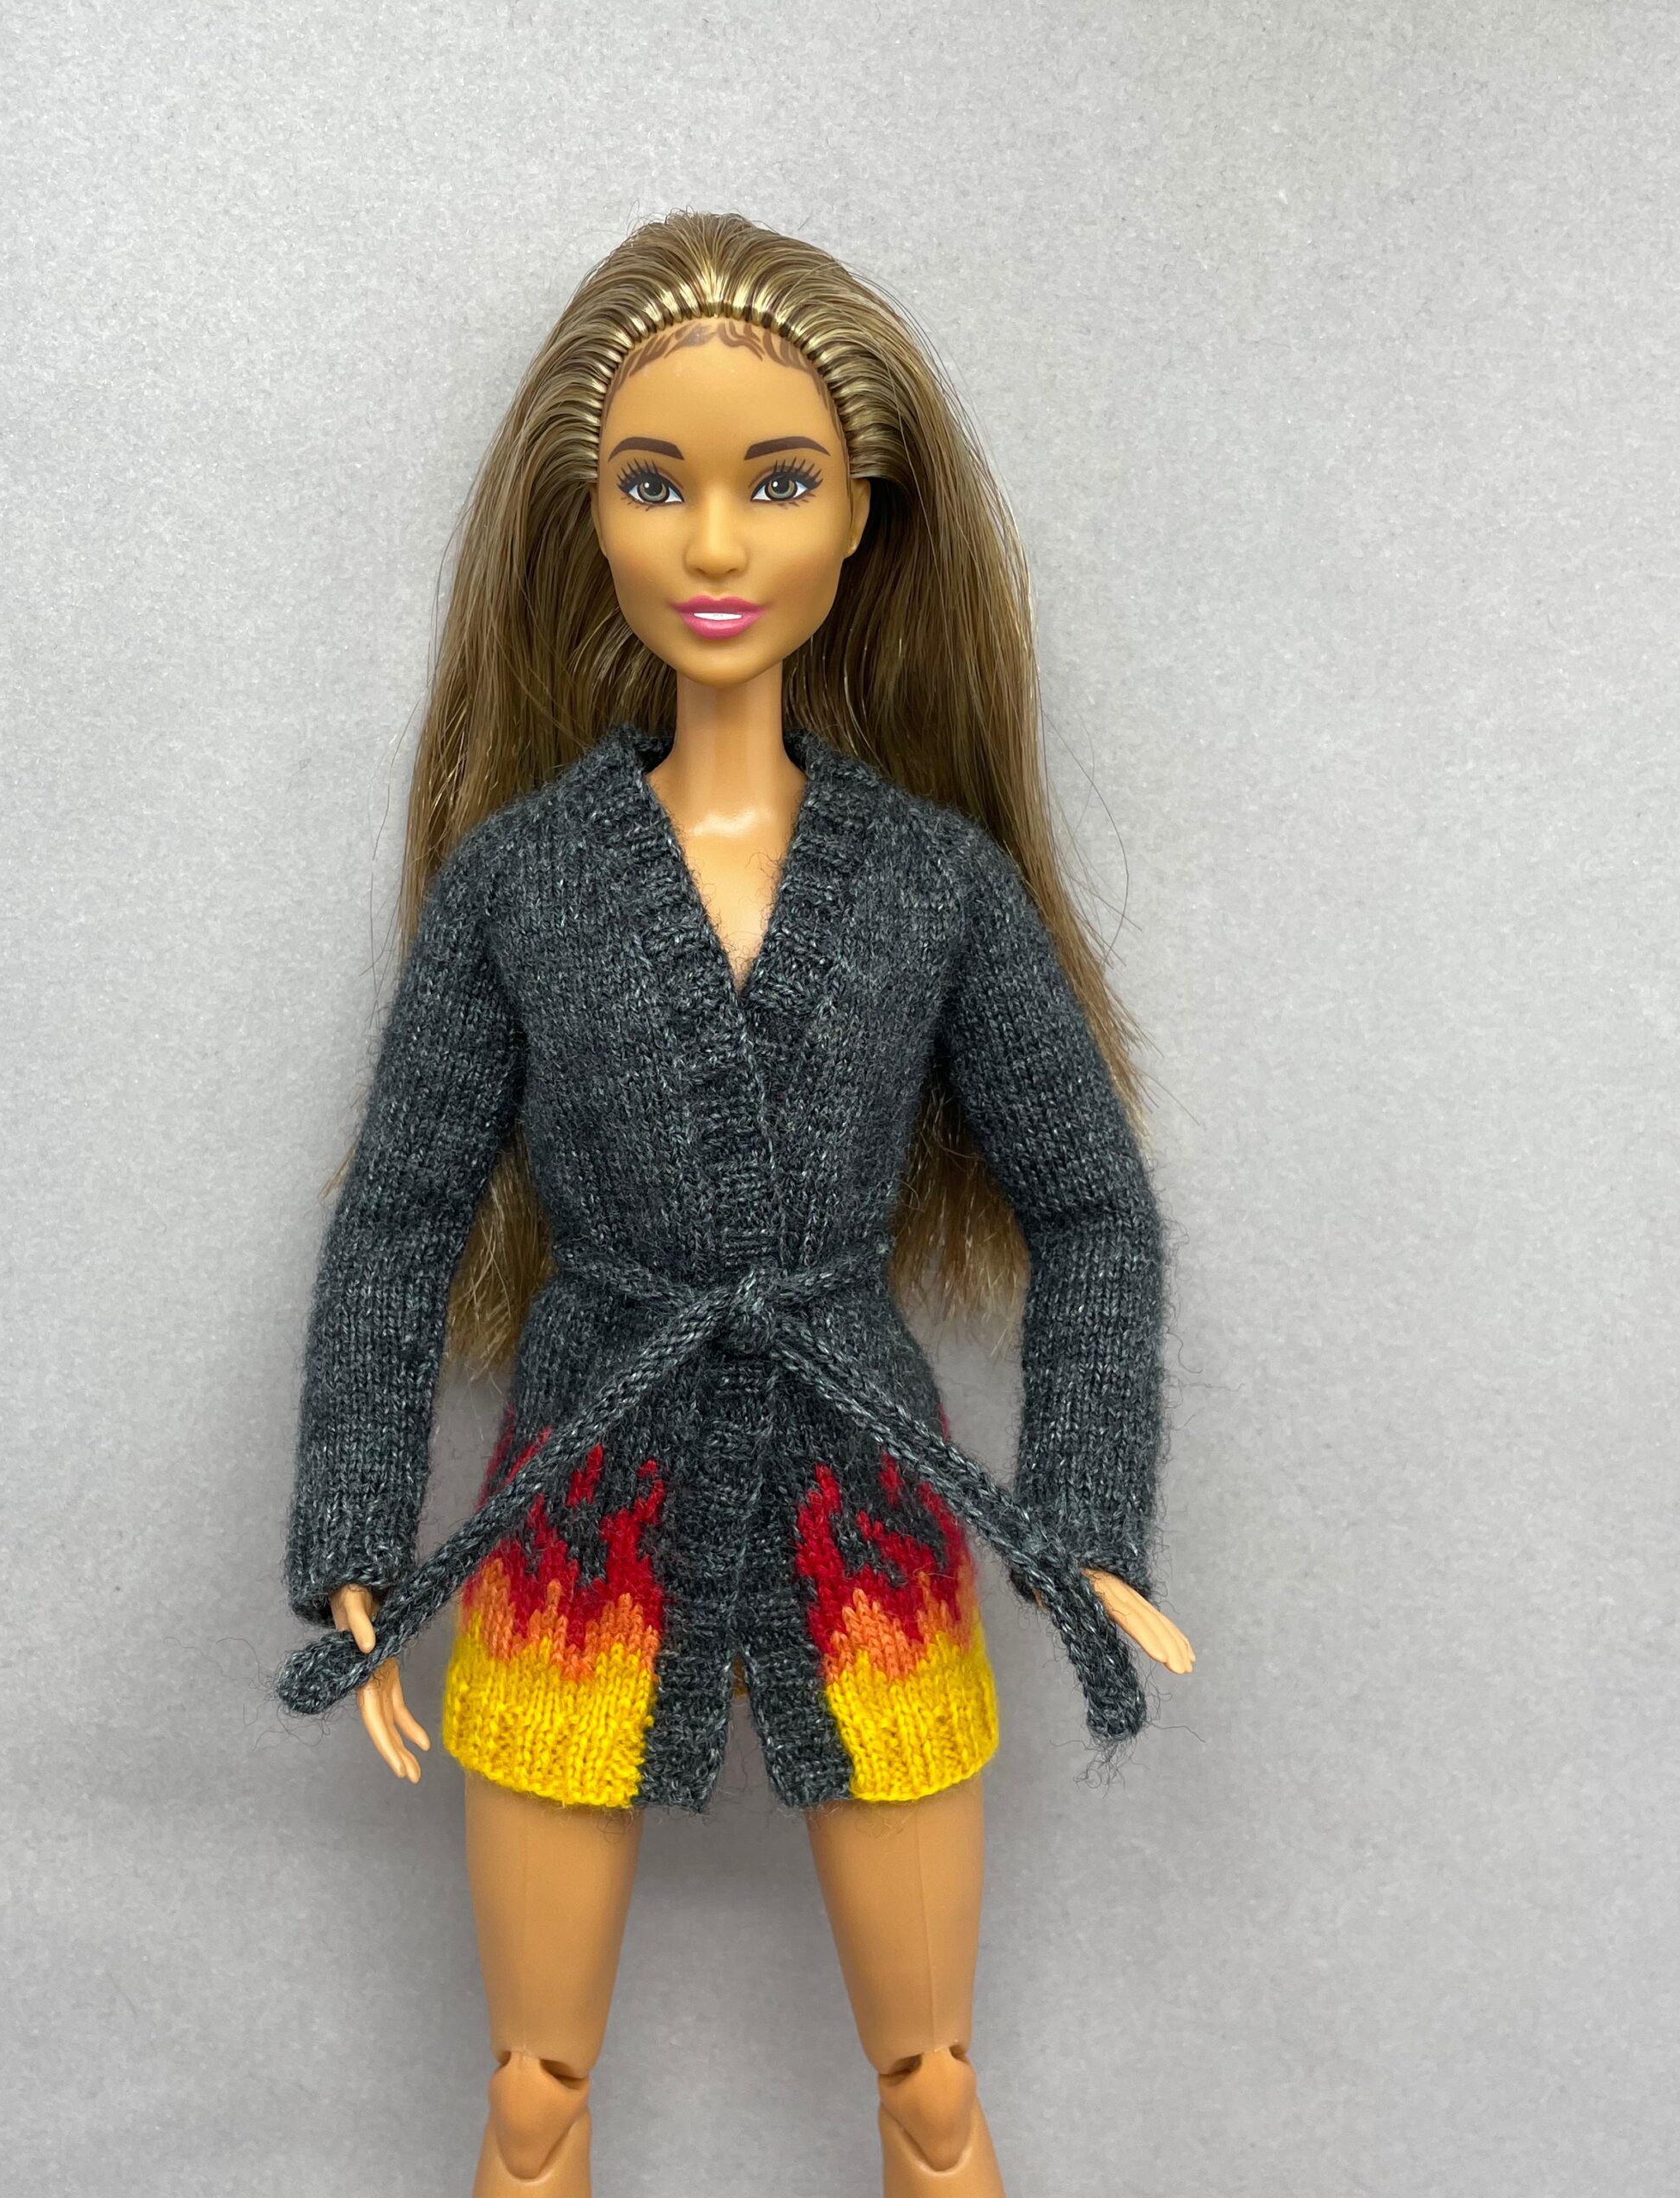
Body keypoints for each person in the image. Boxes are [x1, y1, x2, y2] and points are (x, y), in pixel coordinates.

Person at [276, 210, 1194, 2197]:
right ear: (584, 514)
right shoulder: (518, 883)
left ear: (861, 515)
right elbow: (400, 1218)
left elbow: (1089, 1209)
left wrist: (1083, 1503)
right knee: (533, 2086)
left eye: (775, 483)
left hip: (865, 1497)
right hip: (576, 1490)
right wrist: (356, 1524)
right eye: (651, 483)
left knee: (931, 2076)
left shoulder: (936, 884)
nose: (711, 544)